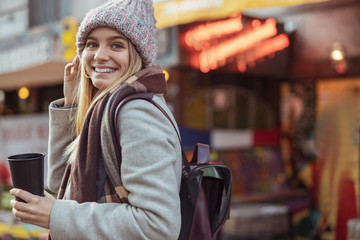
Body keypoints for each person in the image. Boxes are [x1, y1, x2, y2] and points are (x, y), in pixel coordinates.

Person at [9, 0, 182, 239]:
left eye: (116, 45)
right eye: (92, 44)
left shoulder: (135, 112)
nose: (100, 56)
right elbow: (62, 185)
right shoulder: (106, 108)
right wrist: (71, 107)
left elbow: (157, 226)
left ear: (137, 54)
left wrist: (56, 216)